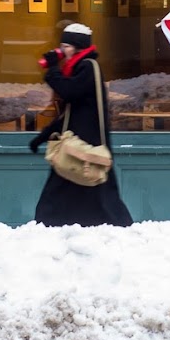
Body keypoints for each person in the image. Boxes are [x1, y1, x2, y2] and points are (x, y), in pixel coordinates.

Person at [29, 23, 133, 227]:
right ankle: (109, 225)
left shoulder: (87, 67)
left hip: (84, 144)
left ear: (78, 47)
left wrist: (52, 68)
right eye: (62, 45)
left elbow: (69, 92)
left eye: (67, 45)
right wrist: (43, 136)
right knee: (92, 189)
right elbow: (72, 109)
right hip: (79, 143)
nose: (63, 50)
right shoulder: (80, 69)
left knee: (82, 188)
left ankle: (47, 226)